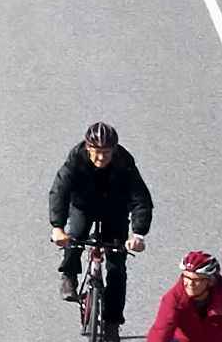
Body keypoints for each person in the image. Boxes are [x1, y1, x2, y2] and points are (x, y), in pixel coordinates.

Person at [45, 119, 151, 314]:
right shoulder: (76, 158)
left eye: (106, 153)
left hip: (114, 210)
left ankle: (112, 321)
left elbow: (141, 198)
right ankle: (69, 276)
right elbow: (59, 191)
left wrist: (138, 234)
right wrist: (57, 227)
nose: (101, 159)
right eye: (97, 153)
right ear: (88, 148)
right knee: (75, 237)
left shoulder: (125, 163)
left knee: (116, 267)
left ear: (115, 150)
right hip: (83, 206)